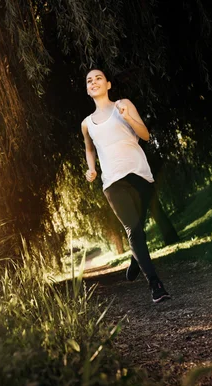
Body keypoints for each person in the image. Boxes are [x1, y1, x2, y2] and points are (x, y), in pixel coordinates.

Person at [81, 68, 171, 303]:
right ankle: (155, 285)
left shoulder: (124, 104)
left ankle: (135, 257)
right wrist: (92, 169)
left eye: (98, 78)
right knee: (133, 229)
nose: (94, 82)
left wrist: (128, 117)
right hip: (113, 181)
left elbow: (145, 135)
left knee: (139, 228)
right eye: (89, 80)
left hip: (140, 175)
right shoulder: (86, 124)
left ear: (108, 84)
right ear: (88, 90)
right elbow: (90, 148)